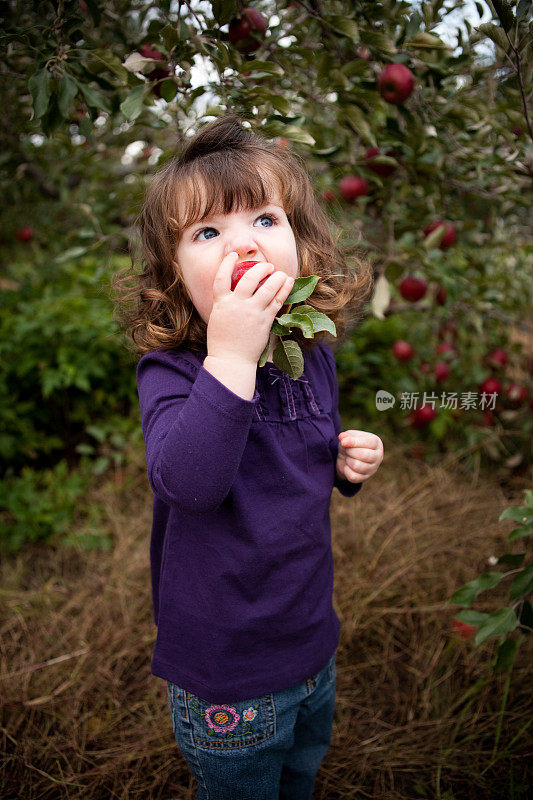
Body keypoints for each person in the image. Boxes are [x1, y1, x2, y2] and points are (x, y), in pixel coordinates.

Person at [113, 112, 383, 800]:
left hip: (309, 639)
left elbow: (306, 461)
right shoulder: (171, 372)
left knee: (300, 775)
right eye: (207, 233)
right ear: (173, 275)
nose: (243, 245)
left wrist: (345, 465)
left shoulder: (310, 353)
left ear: (301, 243)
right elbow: (188, 484)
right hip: (225, 670)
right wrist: (229, 354)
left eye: (264, 220)